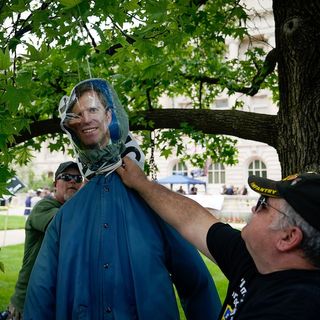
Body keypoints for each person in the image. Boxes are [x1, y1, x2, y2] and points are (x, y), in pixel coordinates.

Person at [24, 78, 221, 319]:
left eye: (93, 109)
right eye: (78, 115)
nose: (86, 119)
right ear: (73, 128)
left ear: (109, 115)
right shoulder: (65, 217)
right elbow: (40, 295)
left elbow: (196, 282)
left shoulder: (154, 204)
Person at [117, 158, 320, 319]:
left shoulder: (294, 308)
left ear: (288, 237)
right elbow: (193, 219)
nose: (253, 208)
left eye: (263, 204)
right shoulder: (256, 260)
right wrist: (141, 183)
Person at [9, 161, 83, 319]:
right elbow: (65, 224)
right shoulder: (44, 207)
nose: (72, 181)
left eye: (78, 178)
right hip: (28, 301)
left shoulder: (79, 212)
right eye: (66, 177)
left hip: (55, 301)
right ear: (56, 183)